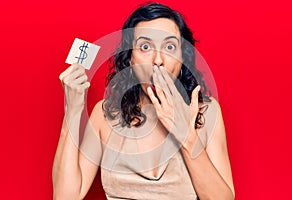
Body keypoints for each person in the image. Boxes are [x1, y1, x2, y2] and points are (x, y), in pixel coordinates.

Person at [52, 3, 235, 200]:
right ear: (130, 60)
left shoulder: (205, 111)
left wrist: (186, 136)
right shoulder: (105, 114)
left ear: (183, 58)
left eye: (170, 47)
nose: (158, 59)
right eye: (145, 47)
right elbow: (65, 197)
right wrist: (72, 110)